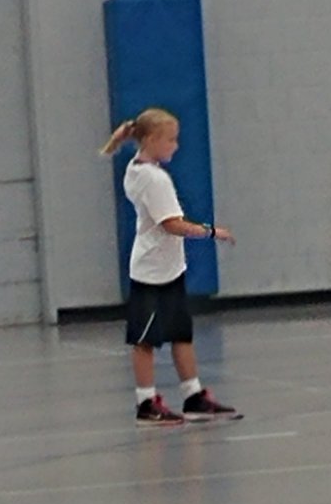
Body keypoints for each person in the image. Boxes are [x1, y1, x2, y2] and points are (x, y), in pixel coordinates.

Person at [101, 107, 241, 426]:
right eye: (171, 140)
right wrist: (210, 231)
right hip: (150, 272)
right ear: (151, 140)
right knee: (145, 339)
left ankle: (193, 396)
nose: (176, 146)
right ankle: (146, 402)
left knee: (181, 334)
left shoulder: (136, 170)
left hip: (168, 269)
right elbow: (171, 224)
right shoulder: (153, 178)